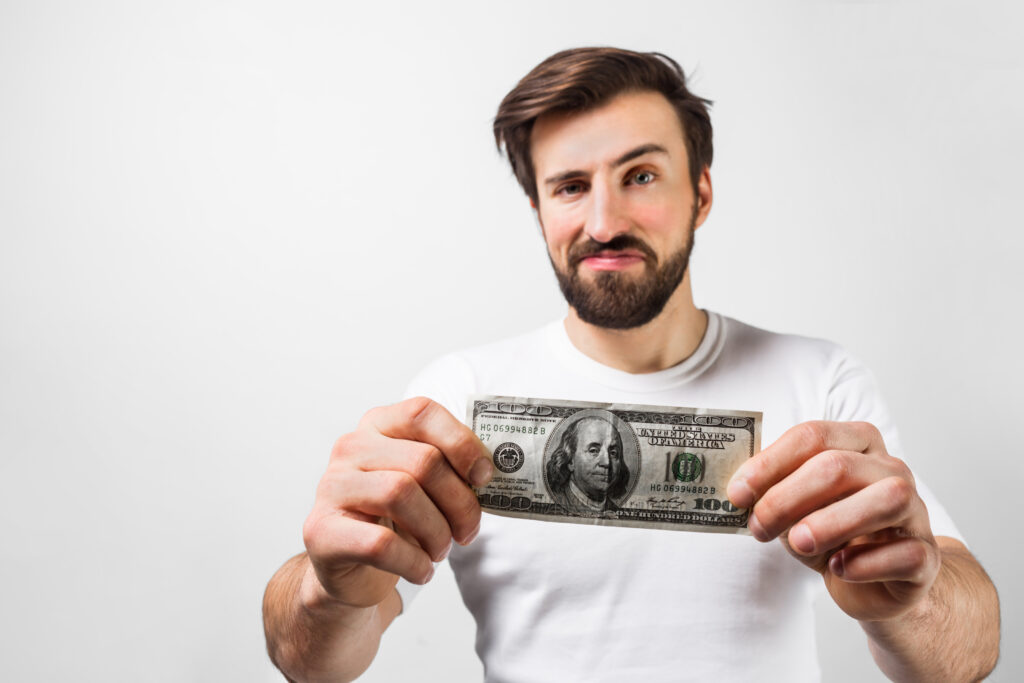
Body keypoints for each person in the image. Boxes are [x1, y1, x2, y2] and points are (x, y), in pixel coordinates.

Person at [263, 47, 1000, 682]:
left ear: (700, 192)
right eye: (570, 186)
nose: (605, 222)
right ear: (539, 212)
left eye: (640, 175)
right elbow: (312, 661)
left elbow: (967, 654)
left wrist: (916, 599)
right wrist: (332, 591)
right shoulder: (460, 396)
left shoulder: (819, 383)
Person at [544, 412, 629, 515]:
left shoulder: (618, 512)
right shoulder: (552, 503)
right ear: (570, 460)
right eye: (593, 451)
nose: (606, 462)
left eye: (613, 453)